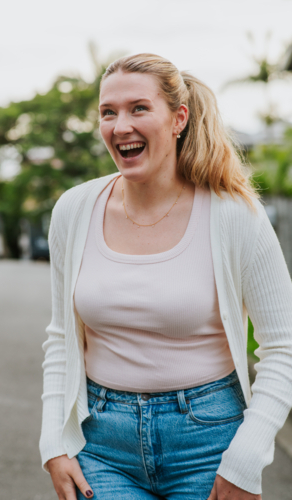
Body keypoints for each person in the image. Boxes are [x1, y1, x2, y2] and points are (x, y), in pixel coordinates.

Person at [39, 54, 292, 500]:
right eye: (108, 112)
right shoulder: (74, 210)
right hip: (101, 446)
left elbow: (284, 348)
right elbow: (62, 337)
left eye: (139, 108)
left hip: (210, 444)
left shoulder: (236, 216)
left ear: (179, 119)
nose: (120, 126)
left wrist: (246, 459)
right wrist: (53, 444)